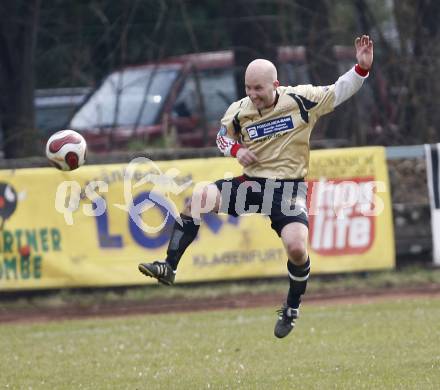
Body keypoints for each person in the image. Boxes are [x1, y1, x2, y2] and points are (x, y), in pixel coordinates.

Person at [139, 35, 374, 338]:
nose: (253, 94)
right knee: (197, 199)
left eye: (258, 88)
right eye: (248, 88)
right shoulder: (239, 110)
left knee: (297, 248)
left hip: (289, 190)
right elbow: (222, 138)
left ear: (275, 85)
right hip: (253, 185)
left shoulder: (302, 100)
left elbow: (338, 90)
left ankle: (291, 307)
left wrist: (361, 69)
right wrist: (236, 151)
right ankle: (169, 266)